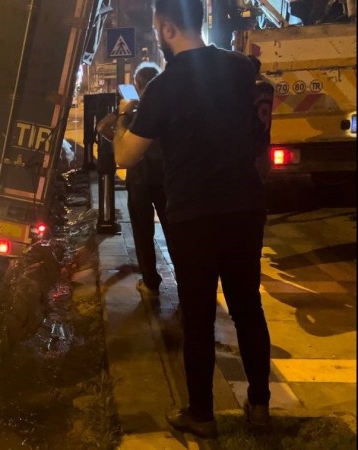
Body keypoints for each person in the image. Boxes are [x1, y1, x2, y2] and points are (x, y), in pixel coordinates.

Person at [111, 0, 272, 439]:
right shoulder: (240, 68)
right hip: (244, 206)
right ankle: (260, 406)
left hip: (193, 215)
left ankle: (202, 414)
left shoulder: (163, 87)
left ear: (166, 29)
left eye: (157, 28)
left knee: (198, 314)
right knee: (248, 307)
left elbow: (126, 156)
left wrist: (123, 118)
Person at [97, 62, 171, 299]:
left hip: (140, 181)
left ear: (138, 85)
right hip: (166, 180)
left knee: (142, 233)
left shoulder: (132, 113)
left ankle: (150, 283)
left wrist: (122, 115)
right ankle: (185, 283)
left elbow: (102, 127)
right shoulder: (167, 108)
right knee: (173, 233)